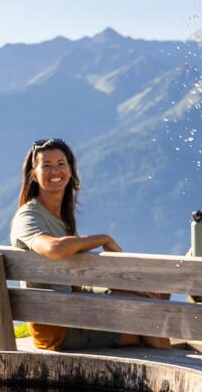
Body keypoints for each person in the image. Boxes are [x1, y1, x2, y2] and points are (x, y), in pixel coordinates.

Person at [10, 138, 170, 351]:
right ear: (33, 174)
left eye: (61, 163)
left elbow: (74, 277)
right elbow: (55, 249)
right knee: (149, 320)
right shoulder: (29, 218)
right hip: (59, 328)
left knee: (152, 295)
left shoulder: (59, 217)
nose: (55, 171)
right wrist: (103, 238)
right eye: (46, 165)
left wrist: (129, 288)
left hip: (74, 312)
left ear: (70, 169)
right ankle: (172, 369)